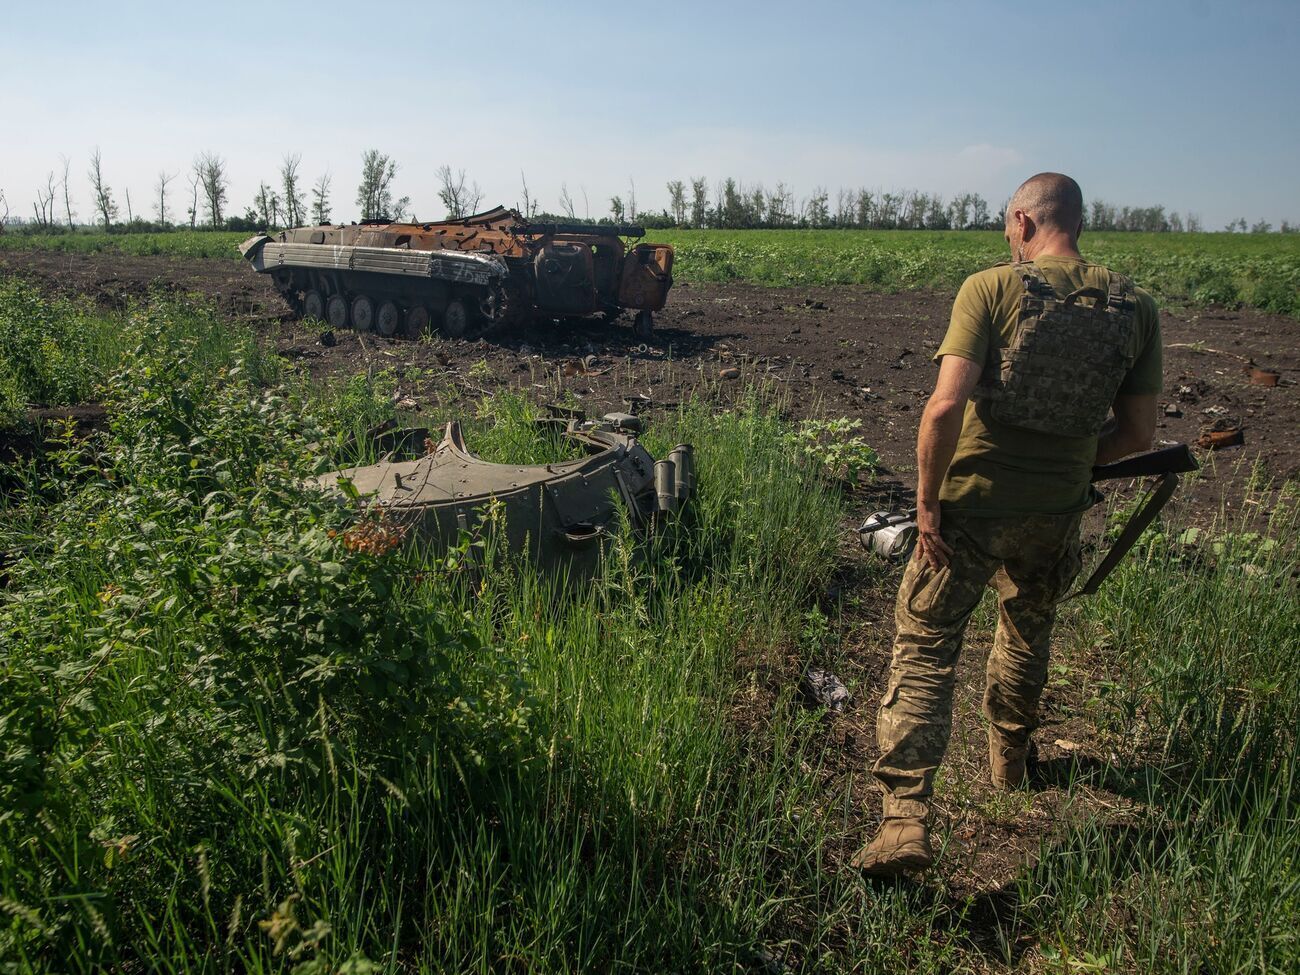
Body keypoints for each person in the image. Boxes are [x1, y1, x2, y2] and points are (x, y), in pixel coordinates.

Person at [852, 173, 1162, 876]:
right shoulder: (1136, 305)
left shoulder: (991, 289)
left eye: (1006, 228)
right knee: (1027, 627)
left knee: (927, 643)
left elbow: (942, 409)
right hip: (1055, 515)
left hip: (970, 507)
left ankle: (904, 821)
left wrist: (928, 504)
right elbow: (1139, 432)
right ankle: (1010, 762)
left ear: (1023, 222)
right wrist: (1078, 466)